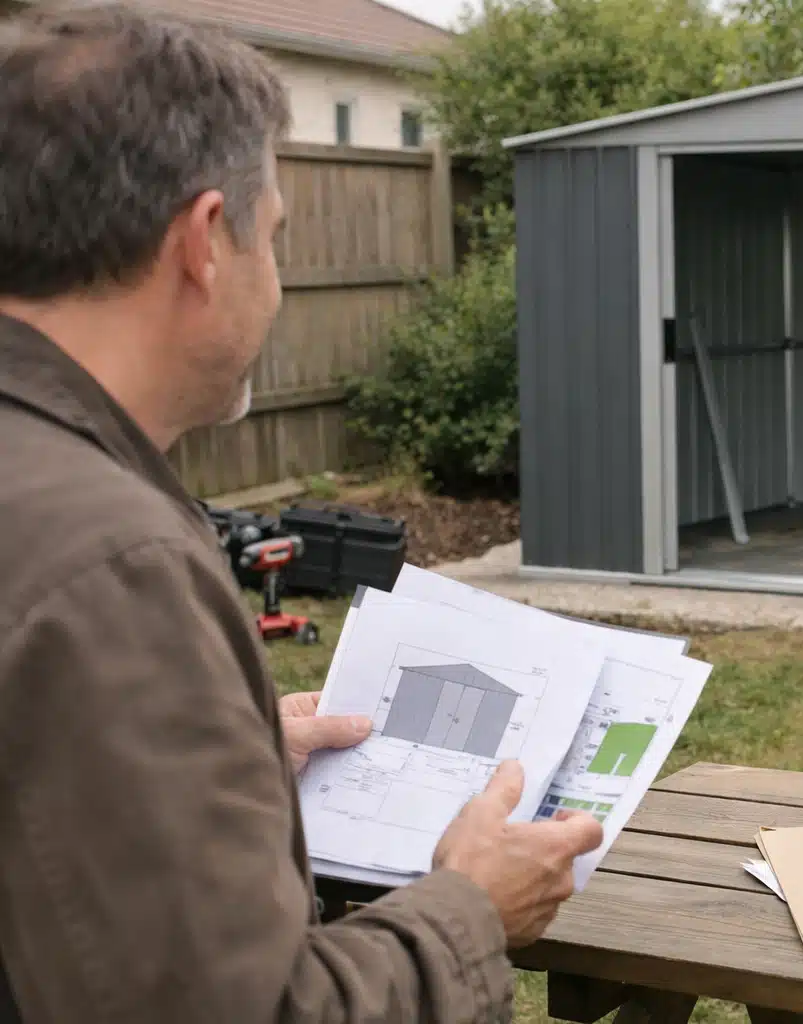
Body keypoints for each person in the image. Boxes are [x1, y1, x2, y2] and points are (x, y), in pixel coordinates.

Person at [0, 5, 602, 1021]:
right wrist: (469, 908)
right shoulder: (113, 567)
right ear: (204, 242)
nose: (276, 283)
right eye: (272, 237)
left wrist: (222, 758)